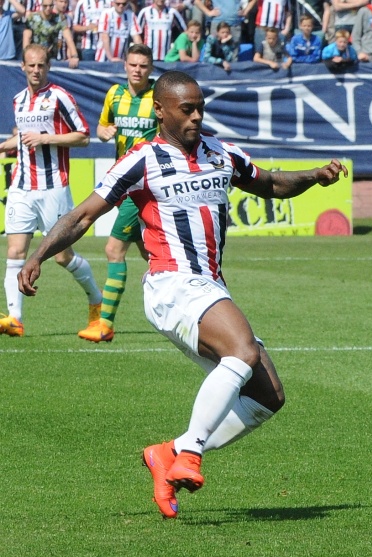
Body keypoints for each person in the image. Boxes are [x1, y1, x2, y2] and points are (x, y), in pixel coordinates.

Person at [17, 70, 349, 519]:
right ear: (161, 110)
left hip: (208, 285)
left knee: (268, 397)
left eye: (200, 108)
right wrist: (39, 254)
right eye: (186, 109)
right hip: (171, 284)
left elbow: (269, 184)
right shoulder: (143, 159)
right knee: (242, 349)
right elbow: (82, 216)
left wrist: (313, 175)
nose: (196, 117)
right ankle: (191, 454)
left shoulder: (220, 153)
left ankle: (167, 451)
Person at [0, 44, 101, 338]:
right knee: (15, 251)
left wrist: (46, 139)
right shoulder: (18, 100)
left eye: (41, 65)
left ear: (48, 67)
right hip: (21, 186)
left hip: (53, 186)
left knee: (62, 256)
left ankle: (95, 300)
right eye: (31, 65)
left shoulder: (59, 97)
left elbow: (83, 136)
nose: (35, 70)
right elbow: (20, 141)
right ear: (23, 67)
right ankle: (15, 319)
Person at [78, 44, 156, 344]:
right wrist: (103, 132)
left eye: (143, 66)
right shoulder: (115, 94)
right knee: (148, 252)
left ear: (150, 68)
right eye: (133, 65)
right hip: (121, 181)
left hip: (144, 183)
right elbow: (102, 125)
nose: (137, 70)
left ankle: (106, 323)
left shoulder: (158, 97)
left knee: (113, 250)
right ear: (125, 65)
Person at [23, 0, 81, 66]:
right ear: (41, 5)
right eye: (45, 6)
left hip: (51, 57)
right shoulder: (32, 18)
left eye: (50, 6)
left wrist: (74, 56)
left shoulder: (59, 18)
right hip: (35, 55)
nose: (48, 8)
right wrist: (25, 56)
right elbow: (26, 38)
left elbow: (68, 38)